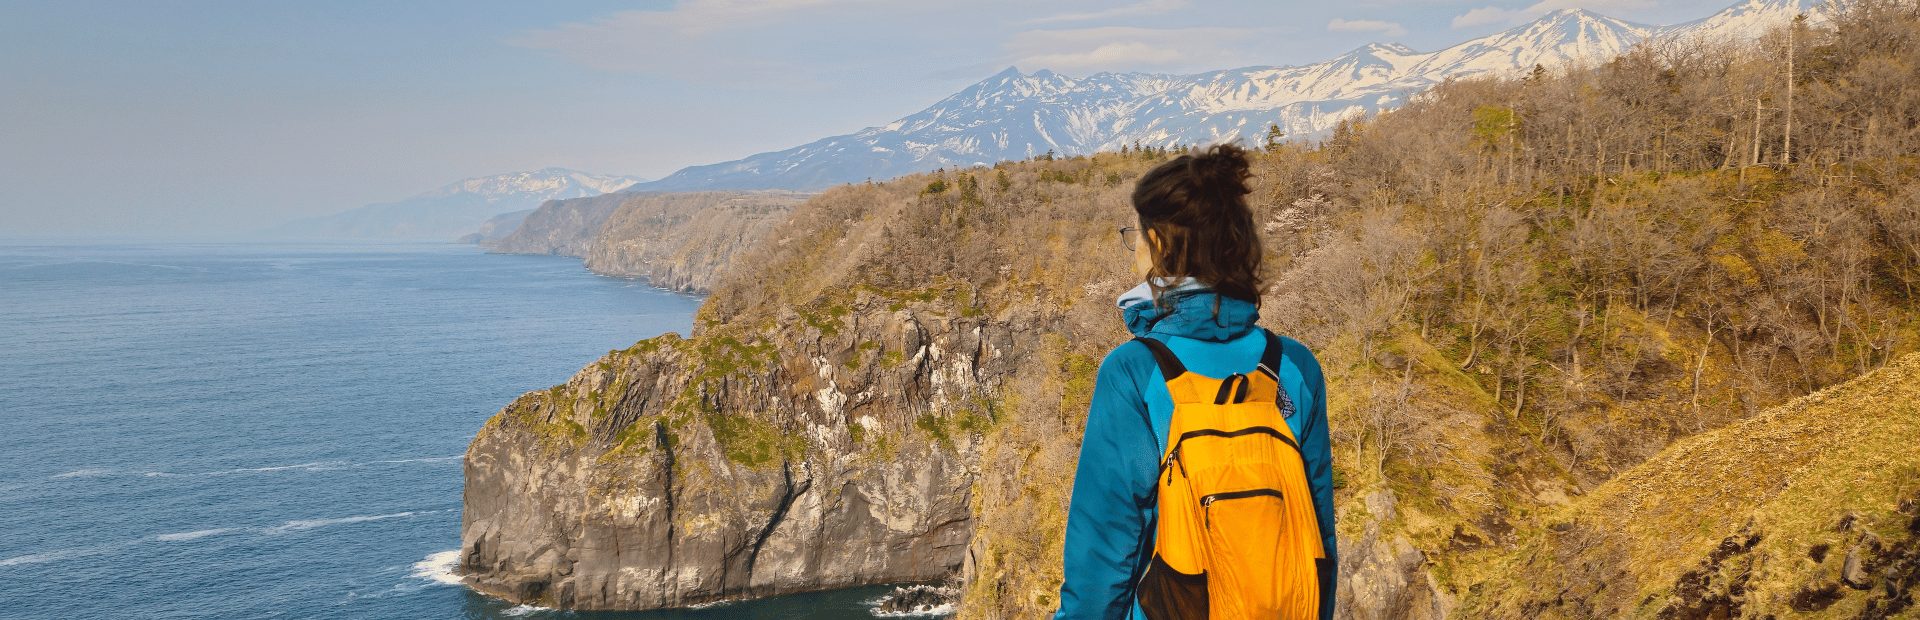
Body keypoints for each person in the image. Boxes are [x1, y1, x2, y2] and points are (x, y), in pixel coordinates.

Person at [1054, 144, 1337, 619]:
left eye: (1135, 235)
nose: (1134, 247)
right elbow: (1318, 535)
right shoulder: (1295, 365)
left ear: (1159, 243)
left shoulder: (1134, 371)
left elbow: (1104, 548)